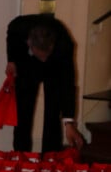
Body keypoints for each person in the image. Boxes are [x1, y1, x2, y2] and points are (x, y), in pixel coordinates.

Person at [6, 13, 84, 153]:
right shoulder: (19, 27)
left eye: (45, 55)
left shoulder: (64, 45)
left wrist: (69, 122)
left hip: (54, 67)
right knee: (22, 112)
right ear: (29, 42)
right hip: (27, 63)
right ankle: (21, 156)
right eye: (40, 55)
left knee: (53, 112)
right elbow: (11, 34)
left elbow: (67, 84)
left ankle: (50, 158)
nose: (43, 60)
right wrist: (11, 60)